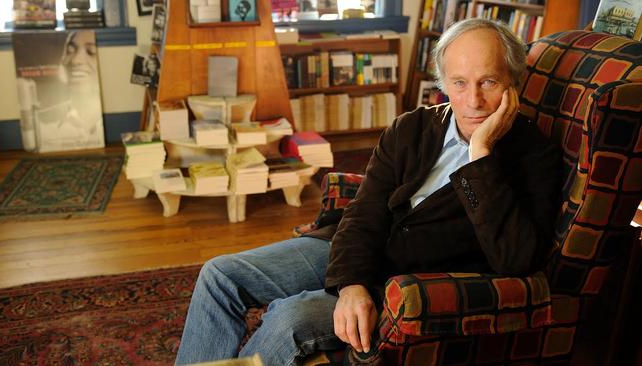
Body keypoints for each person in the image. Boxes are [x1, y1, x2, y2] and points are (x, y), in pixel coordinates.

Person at [175, 18, 561, 365]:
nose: (473, 100)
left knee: (287, 318)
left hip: (402, 285)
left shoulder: (534, 155)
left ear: (513, 82)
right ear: (444, 83)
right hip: (354, 251)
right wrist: (351, 284)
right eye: (459, 83)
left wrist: (481, 158)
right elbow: (365, 210)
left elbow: (517, 259)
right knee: (219, 274)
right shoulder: (412, 127)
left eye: (489, 82)